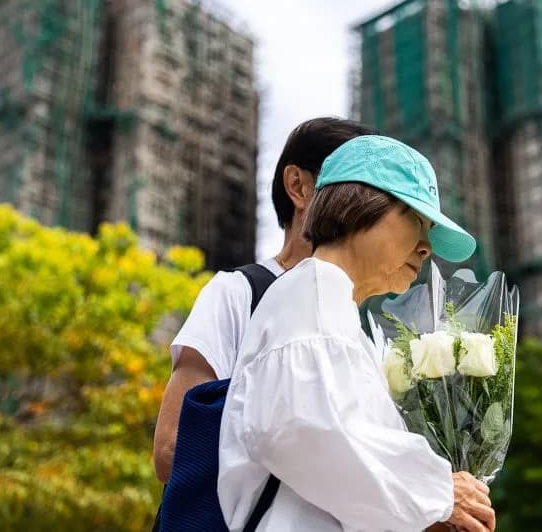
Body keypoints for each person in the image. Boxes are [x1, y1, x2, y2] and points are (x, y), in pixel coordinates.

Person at [218, 135, 496, 531]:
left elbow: (341, 478)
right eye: (416, 221)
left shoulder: (341, 319)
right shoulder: (310, 294)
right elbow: (302, 432)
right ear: (357, 204)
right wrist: (439, 493)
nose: (425, 248)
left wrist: (425, 515)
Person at [153, 118, 378, 483]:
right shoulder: (239, 292)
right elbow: (173, 447)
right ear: (298, 186)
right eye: (359, 188)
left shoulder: (360, 334)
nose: (373, 211)